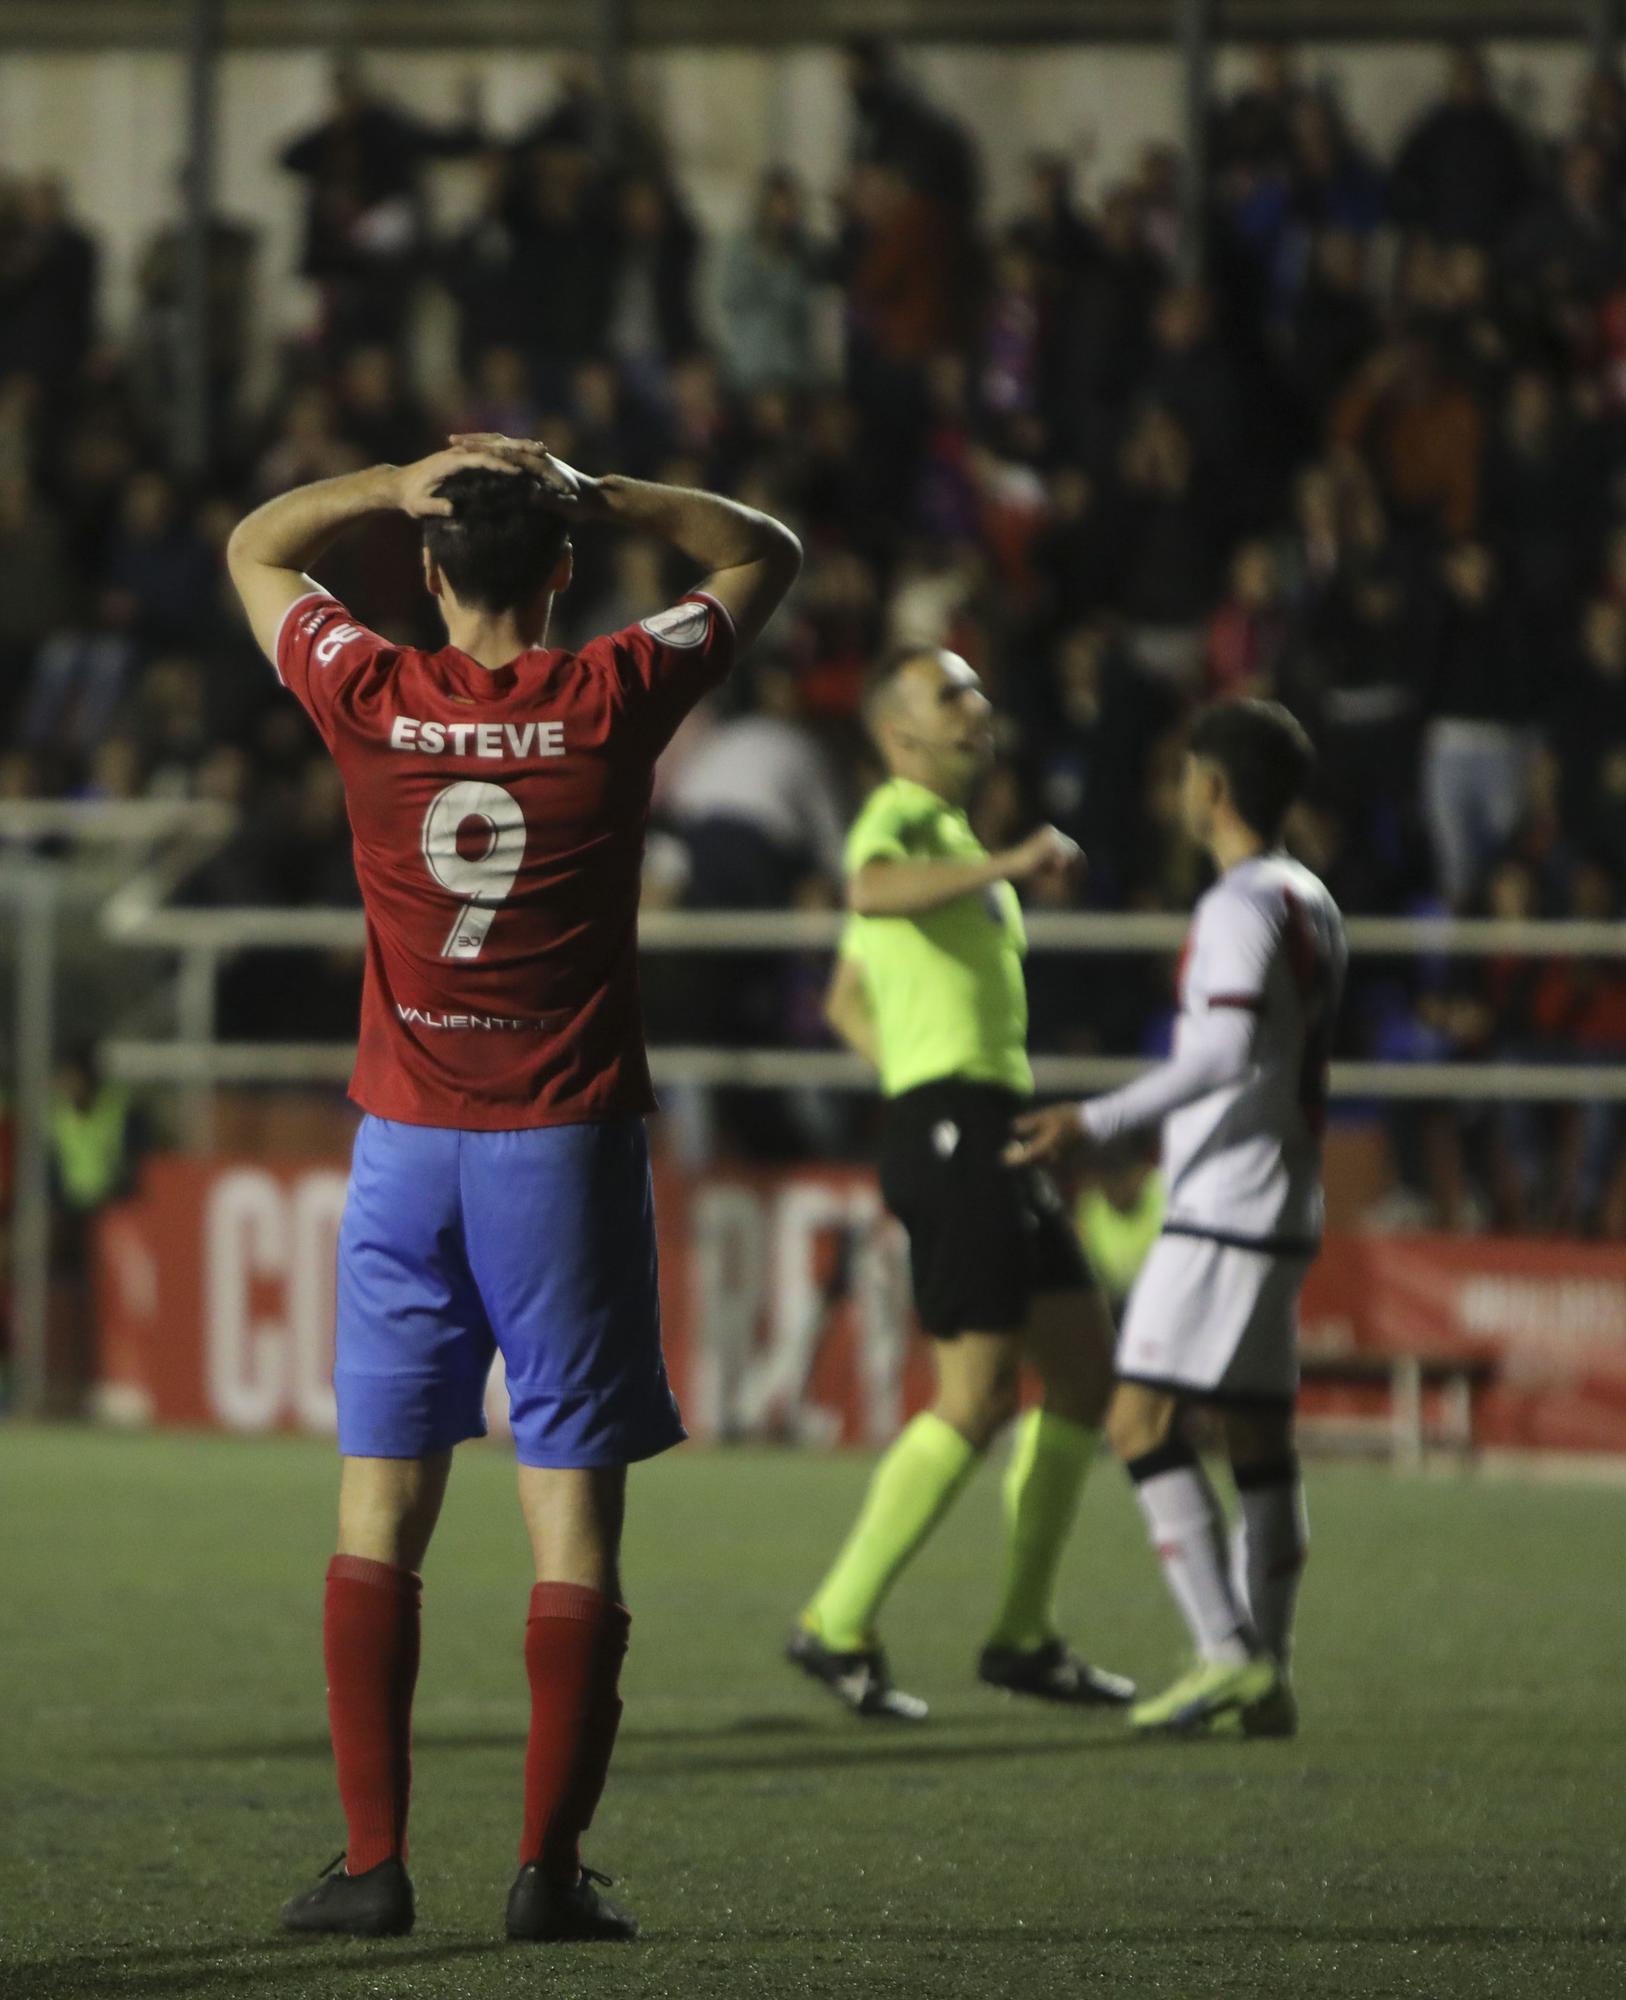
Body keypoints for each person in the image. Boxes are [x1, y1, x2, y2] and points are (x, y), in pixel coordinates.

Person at [225, 435, 800, 1939]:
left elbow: (253, 552)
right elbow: (764, 553)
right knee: (572, 1521)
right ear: (558, 574)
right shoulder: (608, 694)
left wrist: (385, 479)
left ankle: (371, 1865)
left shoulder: (366, 692)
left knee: (380, 1503)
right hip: (561, 1146)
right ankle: (546, 1870)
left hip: (406, 1148)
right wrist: (593, 491)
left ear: (426, 572)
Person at [790, 644, 1134, 1721]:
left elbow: (846, 994)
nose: (978, 702)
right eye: (952, 692)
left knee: (1081, 1370)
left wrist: (932, 1078)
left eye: (980, 686)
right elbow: (865, 884)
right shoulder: (896, 814)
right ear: (900, 733)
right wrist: (935, 1096)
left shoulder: (947, 837)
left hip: (984, 1117)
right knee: (979, 1395)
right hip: (956, 1125)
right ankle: (835, 1621)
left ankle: (1023, 1635)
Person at [1010, 699, 1346, 1739]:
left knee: (1139, 1418)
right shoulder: (1312, 896)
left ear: (1210, 789)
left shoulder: (1241, 903)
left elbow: (1222, 1054)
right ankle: (1268, 1667)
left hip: (1225, 1206)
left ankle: (1225, 1651)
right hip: (1280, 1194)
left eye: (1181, 778)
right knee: (1257, 1434)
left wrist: (1097, 1117)